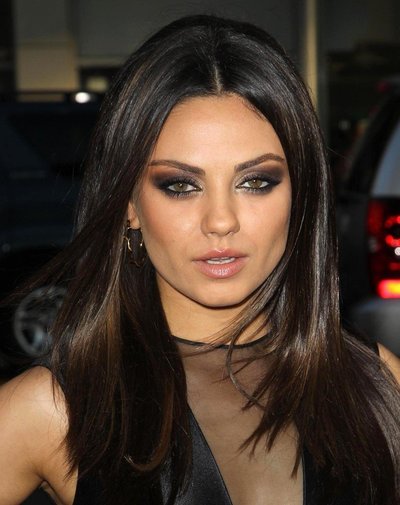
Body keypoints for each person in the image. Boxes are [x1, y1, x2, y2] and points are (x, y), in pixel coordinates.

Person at [0, 14, 399, 505]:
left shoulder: (376, 382)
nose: (221, 221)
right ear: (129, 205)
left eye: (256, 182)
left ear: (300, 195)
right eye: (180, 186)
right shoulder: (56, 409)